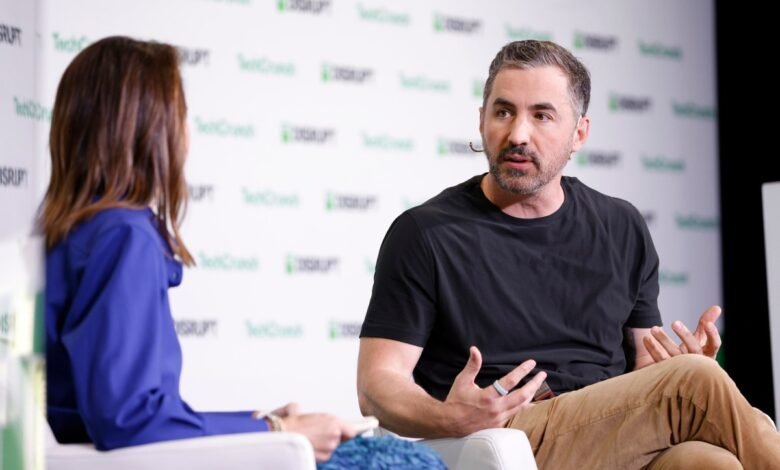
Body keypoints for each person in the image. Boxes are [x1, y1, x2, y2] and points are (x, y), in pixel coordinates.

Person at [357, 39, 779, 468]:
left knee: (709, 462)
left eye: (542, 115)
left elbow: (642, 366)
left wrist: (672, 368)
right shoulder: (426, 233)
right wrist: (449, 416)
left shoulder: (622, 225)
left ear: (579, 133)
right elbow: (376, 385)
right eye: (503, 112)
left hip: (606, 431)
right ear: (482, 120)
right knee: (694, 384)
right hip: (508, 434)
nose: (517, 134)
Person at [41, 36, 356, 461]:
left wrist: (260, 424)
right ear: (150, 127)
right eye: (182, 113)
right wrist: (278, 430)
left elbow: (114, 413)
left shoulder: (70, 233)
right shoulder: (124, 235)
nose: (188, 131)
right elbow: (129, 420)